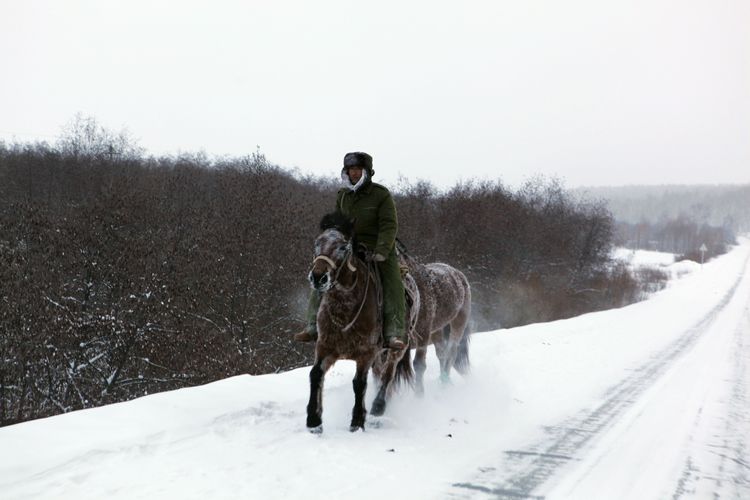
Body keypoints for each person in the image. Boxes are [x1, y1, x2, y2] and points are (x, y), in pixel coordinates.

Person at [294, 152, 407, 349]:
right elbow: (339, 224)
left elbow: (389, 225)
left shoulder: (381, 195)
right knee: (321, 273)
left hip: (377, 248)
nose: (354, 173)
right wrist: (333, 242)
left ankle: (394, 332)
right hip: (348, 247)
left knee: (393, 282)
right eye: (350, 170)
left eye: (357, 170)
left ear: (366, 171)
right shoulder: (343, 195)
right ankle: (312, 326)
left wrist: (381, 249)